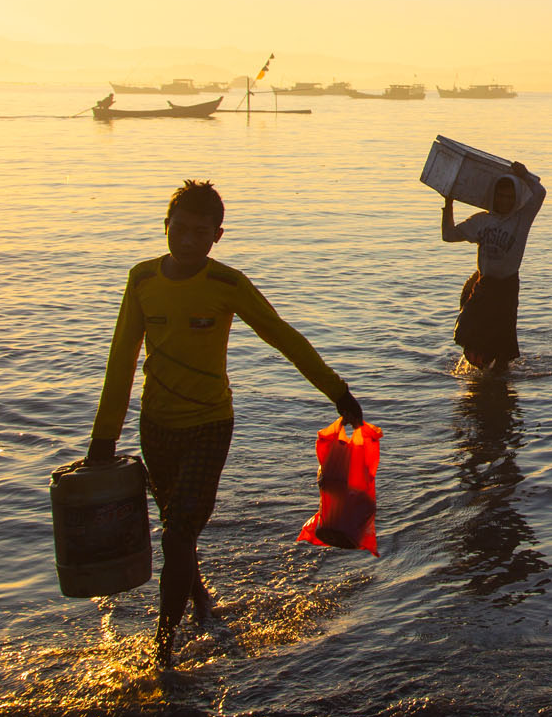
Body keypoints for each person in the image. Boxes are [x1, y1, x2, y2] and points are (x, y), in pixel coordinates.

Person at [84, 179, 364, 670]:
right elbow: (121, 359)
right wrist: (103, 439)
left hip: (209, 425)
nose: (188, 241)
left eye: (200, 232)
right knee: (178, 530)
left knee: (177, 534)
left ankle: (162, 654)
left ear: (217, 235)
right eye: (180, 229)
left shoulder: (227, 284)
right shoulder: (142, 279)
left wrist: (338, 392)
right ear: (165, 226)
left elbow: (282, 336)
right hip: (156, 426)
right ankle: (202, 604)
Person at [442, 160, 547, 371]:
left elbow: (540, 192)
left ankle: (498, 377)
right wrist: (449, 204)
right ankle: (478, 378)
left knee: (502, 349)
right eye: (500, 196)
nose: (504, 201)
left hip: (507, 287)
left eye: (509, 197)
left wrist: (524, 174)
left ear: (515, 199)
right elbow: (449, 235)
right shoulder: (481, 221)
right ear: (493, 196)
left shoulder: (521, 219)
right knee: (466, 334)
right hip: (484, 285)